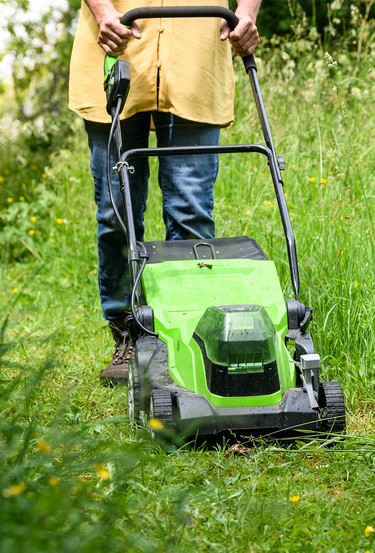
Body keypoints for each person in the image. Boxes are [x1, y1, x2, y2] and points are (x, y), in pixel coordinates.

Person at [68, 0, 260, 383]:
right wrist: (103, 12)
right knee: (116, 213)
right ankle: (128, 332)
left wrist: (249, 13)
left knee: (191, 211)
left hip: (196, 55)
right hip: (116, 48)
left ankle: (187, 336)